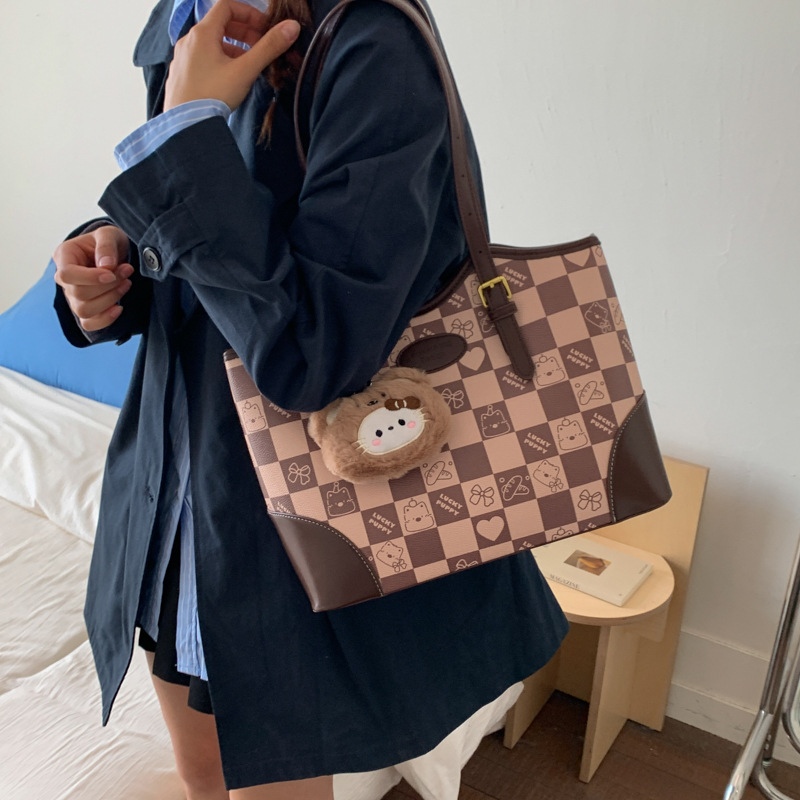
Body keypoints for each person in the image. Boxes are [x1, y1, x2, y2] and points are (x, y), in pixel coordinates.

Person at [53, 0, 569, 797]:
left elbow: (313, 353)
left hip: (282, 529)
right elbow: (208, 251)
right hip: (171, 504)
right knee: (203, 778)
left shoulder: (374, 44)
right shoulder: (182, 18)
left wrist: (183, 134)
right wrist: (115, 269)